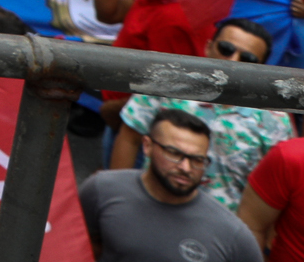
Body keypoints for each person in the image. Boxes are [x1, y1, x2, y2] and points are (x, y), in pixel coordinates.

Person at [114, 18, 283, 209]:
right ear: (208, 47)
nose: (233, 61)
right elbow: (129, 139)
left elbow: (274, 189)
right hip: (150, 210)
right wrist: (118, 199)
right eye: (226, 49)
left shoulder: (275, 121)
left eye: (248, 59)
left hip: (222, 231)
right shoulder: (167, 83)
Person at [82, 108, 259, 262]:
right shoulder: (102, 189)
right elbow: (73, 245)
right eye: (174, 153)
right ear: (147, 146)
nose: (185, 167)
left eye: (197, 160)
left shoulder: (232, 234)